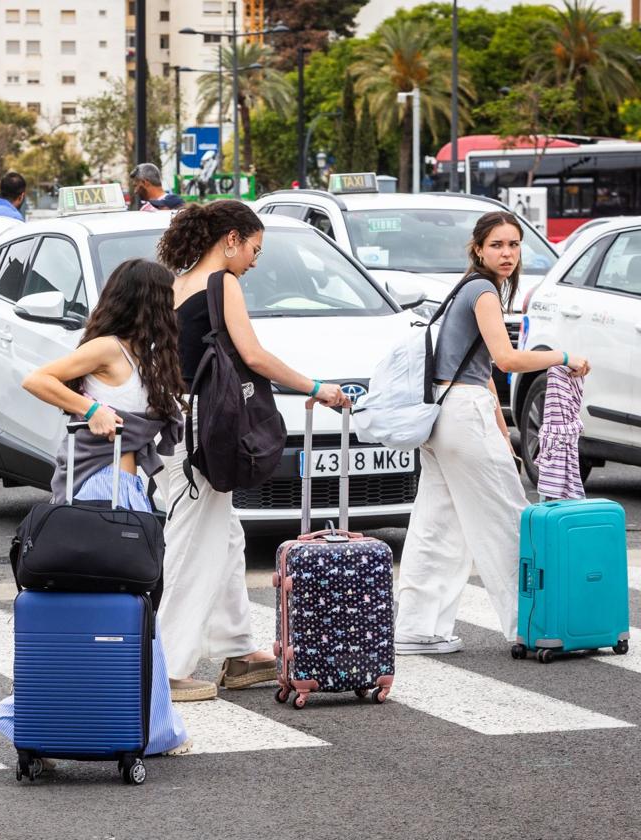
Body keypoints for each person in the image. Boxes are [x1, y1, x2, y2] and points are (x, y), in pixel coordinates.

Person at [0, 258, 192, 757]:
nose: (176, 306)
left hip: (130, 491)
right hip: (95, 488)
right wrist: (93, 409)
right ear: (149, 301)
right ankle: (72, 715)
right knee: (110, 606)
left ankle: (137, 723)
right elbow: (38, 380)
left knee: (130, 607)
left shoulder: (151, 356)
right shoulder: (107, 348)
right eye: (169, 297)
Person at [154, 200, 349, 702]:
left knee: (225, 538)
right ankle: (165, 667)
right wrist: (316, 386)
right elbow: (253, 354)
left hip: (176, 423)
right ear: (231, 240)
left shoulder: (176, 284)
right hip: (204, 431)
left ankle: (238, 650)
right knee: (193, 544)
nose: (255, 261)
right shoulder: (223, 283)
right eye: (254, 249)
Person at [394, 211, 590, 654]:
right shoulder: (482, 291)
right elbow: (504, 360)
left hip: (447, 413)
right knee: (510, 518)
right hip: (462, 414)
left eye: (514, 245)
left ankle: (417, 628)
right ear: (478, 248)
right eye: (498, 245)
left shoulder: (466, 288)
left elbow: (476, 368)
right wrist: (561, 356)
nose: (507, 253)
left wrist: (502, 428)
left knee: (436, 524)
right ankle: (536, 623)